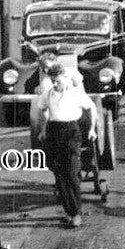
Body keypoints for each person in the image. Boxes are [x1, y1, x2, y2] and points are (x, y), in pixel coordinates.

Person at [35, 63, 97, 228]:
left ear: (65, 78)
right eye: (53, 81)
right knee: (60, 176)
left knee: (71, 172)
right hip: (54, 132)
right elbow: (42, 110)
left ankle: (77, 213)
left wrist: (91, 129)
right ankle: (69, 212)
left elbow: (91, 108)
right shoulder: (48, 95)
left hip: (71, 132)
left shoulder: (76, 93)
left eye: (57, 81)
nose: (55, 84)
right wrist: (43, 129)